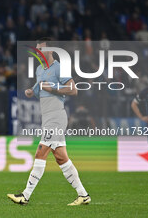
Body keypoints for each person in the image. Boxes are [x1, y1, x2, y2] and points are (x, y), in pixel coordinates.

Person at [7, 37, 91, 206]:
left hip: (56, 117)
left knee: (40, 152)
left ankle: (25, 195)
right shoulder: (39, 69)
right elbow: (40, 88)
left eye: (42, 50)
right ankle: (83, 195)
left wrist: (52, 88)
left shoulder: (59, 68)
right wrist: (32, 91)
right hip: (48, 118)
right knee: (61, 159)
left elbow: (73, 90)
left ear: (51, 51)